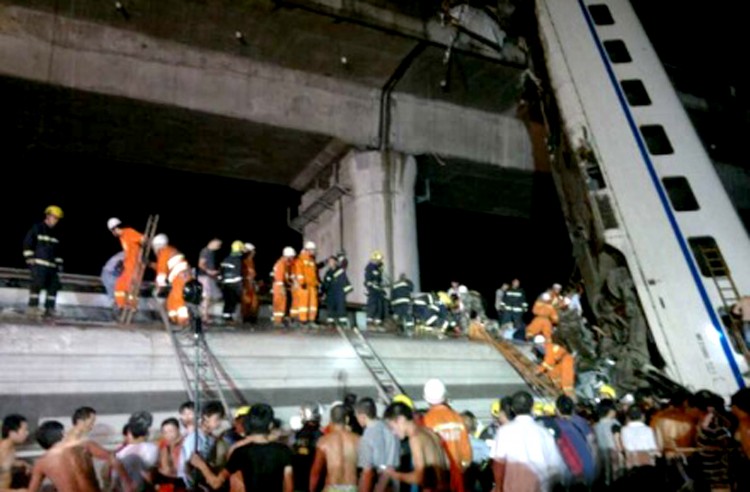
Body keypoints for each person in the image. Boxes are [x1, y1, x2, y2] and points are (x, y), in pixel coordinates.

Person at [27, 420, 133, 492]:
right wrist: (127, 483)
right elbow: (113, 458)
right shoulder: (84, 445)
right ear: (63, 433)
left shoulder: (42, 463)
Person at [382, 402, 451, 491]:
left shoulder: (415, 439)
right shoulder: (430, 432)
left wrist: (394, 474)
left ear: (401, 419)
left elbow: (419, 478)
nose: (393, 433)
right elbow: (447, 464)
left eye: (392, 427)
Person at [23, 205, 64, 317]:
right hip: (39, 264)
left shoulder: (56, 233)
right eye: (54, 217)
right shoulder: (38, 228)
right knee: (37, 285)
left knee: (53, 286)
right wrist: (29, 258)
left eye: (57, 218)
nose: (55, 220)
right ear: (47, 216)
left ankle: (49, 308)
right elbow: (28, 242)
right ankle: (33, 307)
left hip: (52, 266)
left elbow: (58, 251)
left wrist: (59, 264)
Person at [310, 404, 360, 492]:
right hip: (352, 487)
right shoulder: (358, 440)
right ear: (347, 419)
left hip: (332, 487)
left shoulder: (324, 441)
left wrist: (311, 490)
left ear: (331, 420)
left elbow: (316, 472)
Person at [0, 414, 31, 491]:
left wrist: (22, 463)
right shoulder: (1, 451)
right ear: (12, 433)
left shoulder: (10, 448)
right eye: (24, 430)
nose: (27, 433)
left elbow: (6, 465)